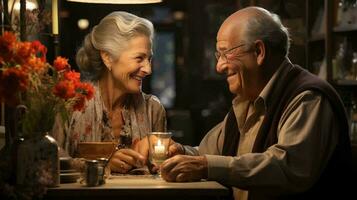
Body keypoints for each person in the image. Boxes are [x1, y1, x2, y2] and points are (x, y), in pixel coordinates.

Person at [161, 6, 352, 199]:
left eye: (226, 53)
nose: (219, 67)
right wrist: (178, 153)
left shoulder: (308, 97)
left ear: (259, 51)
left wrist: (205, 166)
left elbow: (287, 166)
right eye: (219, 56)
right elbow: (208, 153)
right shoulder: (248, 100)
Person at [52, 11, 166, 174]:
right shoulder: (70, 105)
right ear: (108, 58)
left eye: (149, 59)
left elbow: (160, 173)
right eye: (139, 58)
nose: (148, 69)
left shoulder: (153, 110)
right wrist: (101, 165)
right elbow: (49, 164)